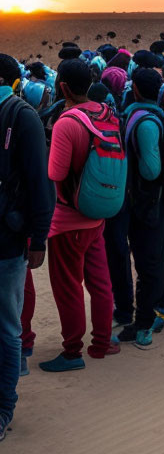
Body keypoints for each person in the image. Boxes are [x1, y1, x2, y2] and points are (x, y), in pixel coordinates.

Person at [40, 59, 120, 372]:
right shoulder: (107, 114)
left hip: (67, 221)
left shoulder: (67, 122)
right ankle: (102, 342)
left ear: (62, 87)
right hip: (98, 214)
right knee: (101, 283)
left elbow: (55, 172)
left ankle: (72, 351)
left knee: (68, 287)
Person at [0, 54, 52, 442]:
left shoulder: (21, 117)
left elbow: (40, 183)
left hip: (7, 241)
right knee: (6, 327)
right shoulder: (24, 115)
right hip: (10, 239)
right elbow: (40, 183)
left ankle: (3, 407)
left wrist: (38, 238)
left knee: (5, 327)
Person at [117, 69, 164, 348]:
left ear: (137, 90)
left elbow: (151, 170)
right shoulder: (148, 115)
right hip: (149, 201)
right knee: (149, 261)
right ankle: (147, 317)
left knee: (148, 263)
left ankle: (144, 326)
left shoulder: (143, 121)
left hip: (147, 202)